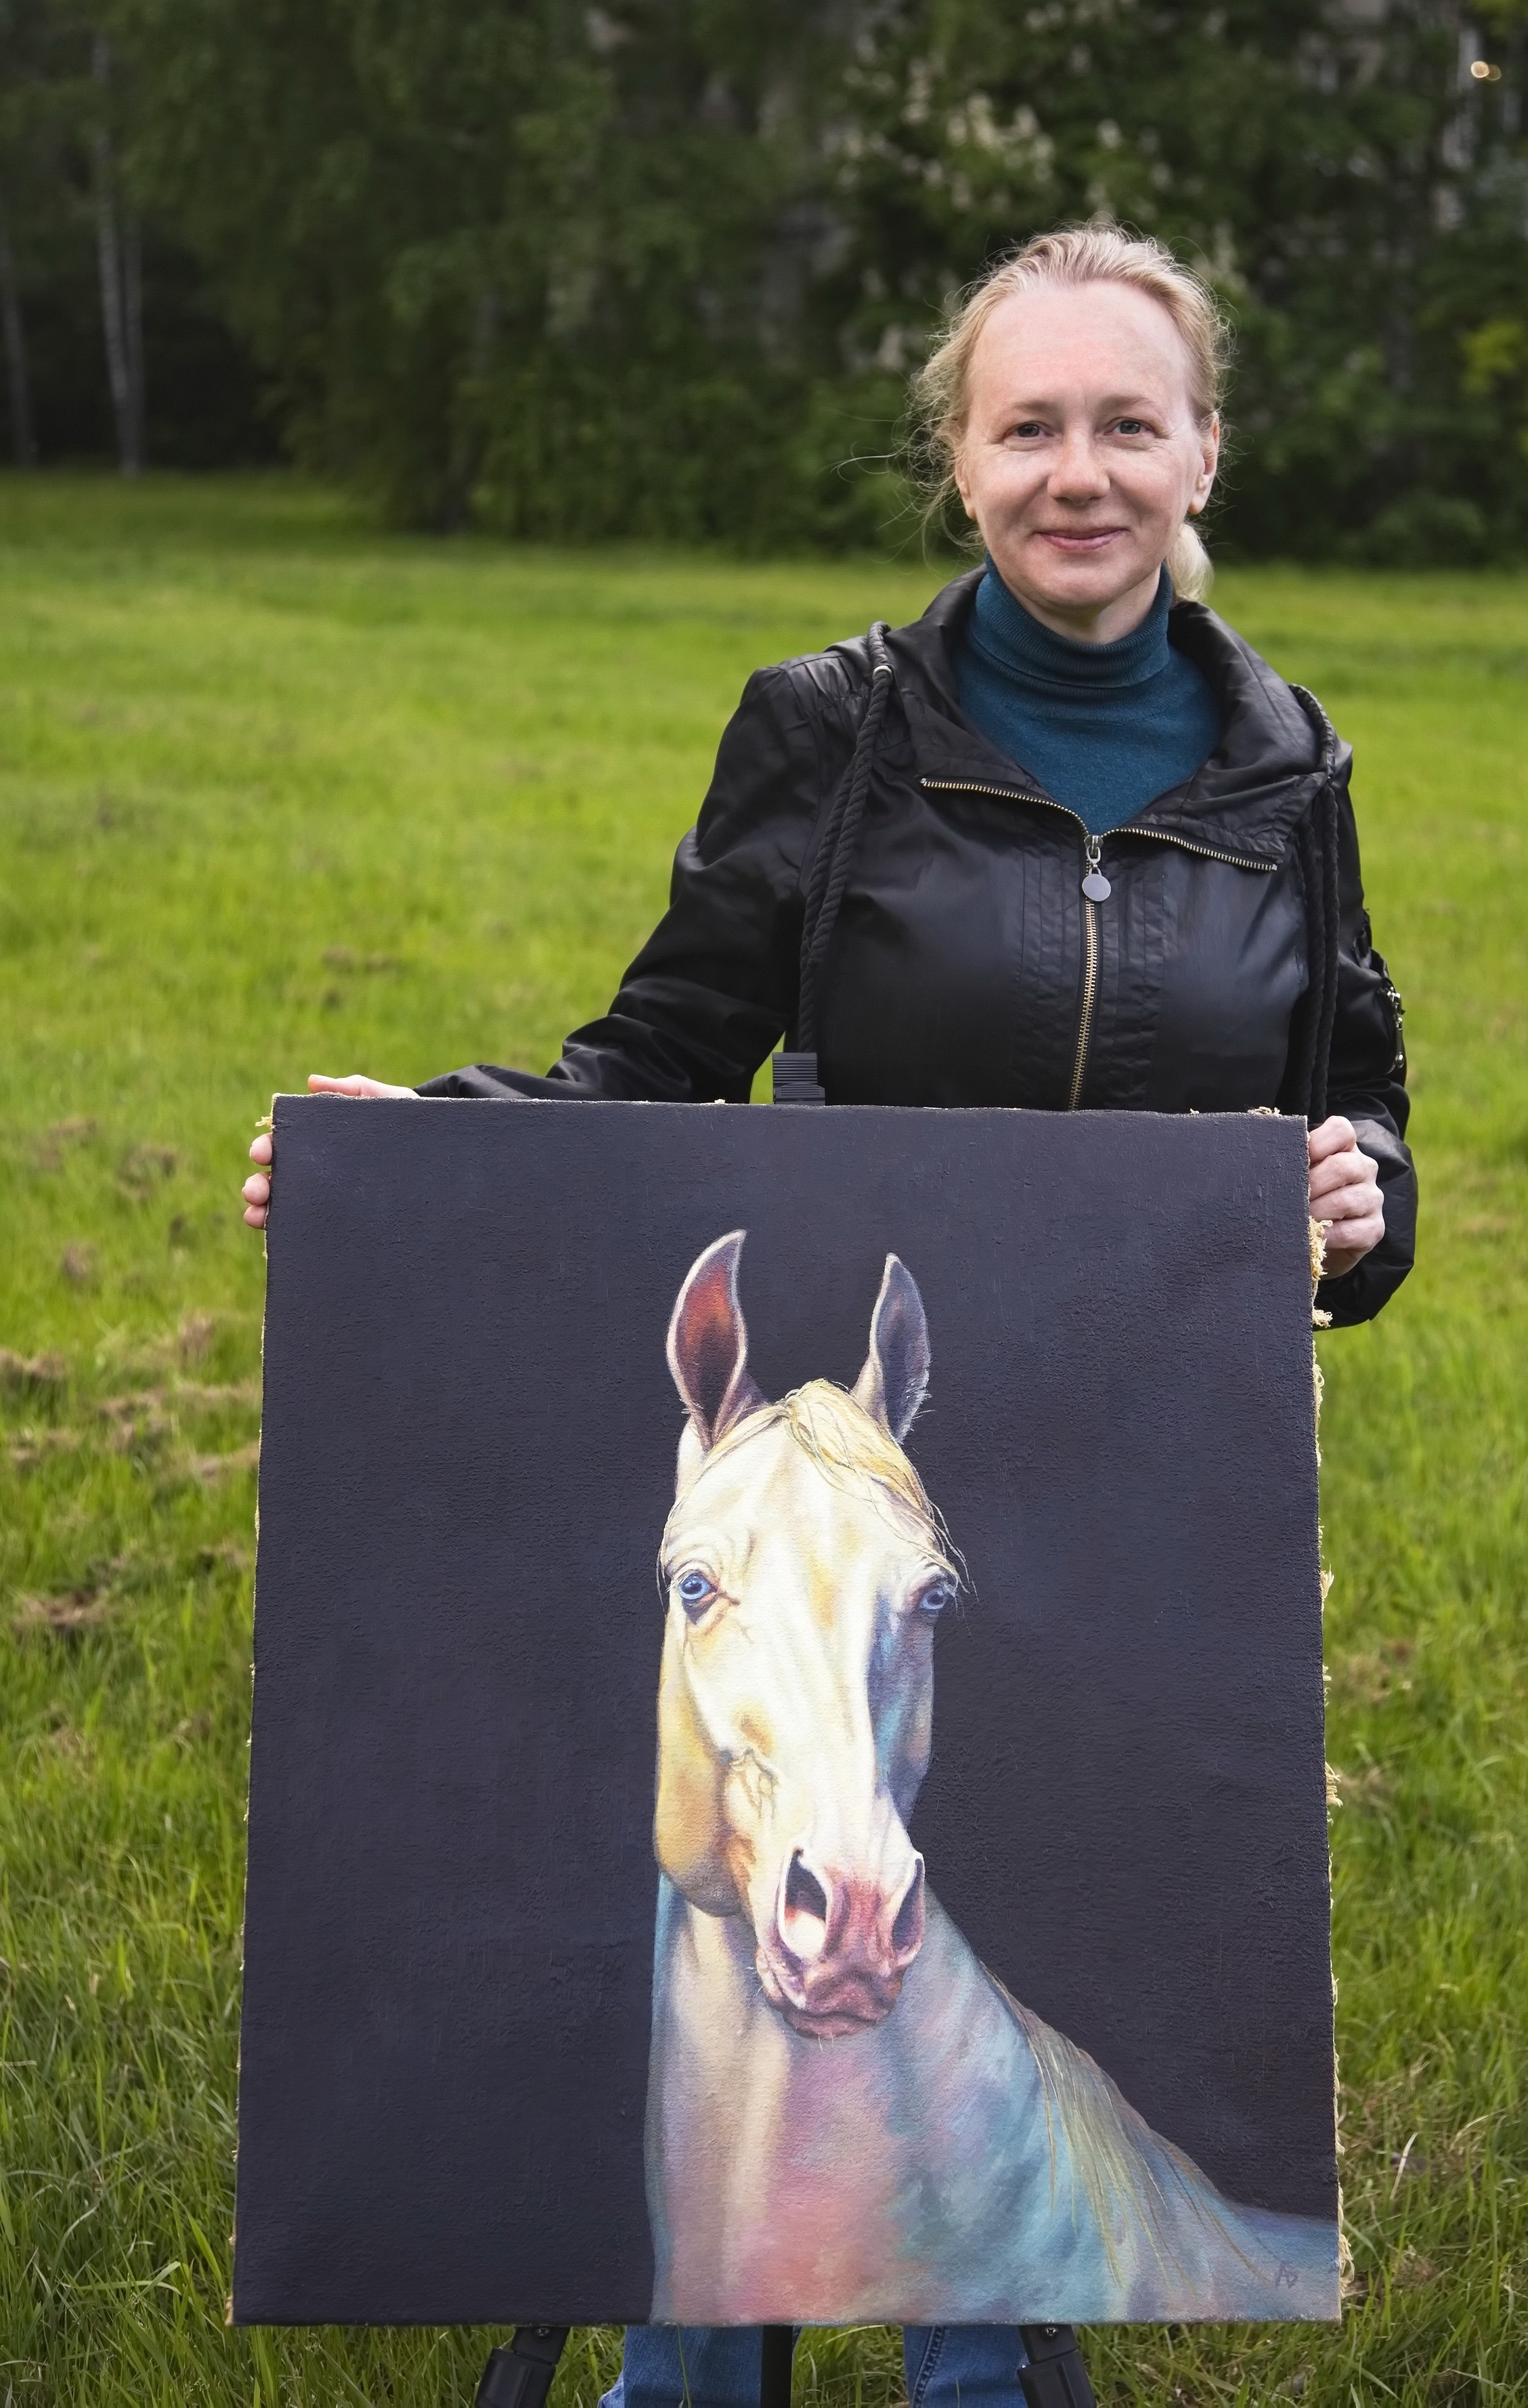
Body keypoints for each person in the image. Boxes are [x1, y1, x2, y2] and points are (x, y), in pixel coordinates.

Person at [242, 223, 1414, 2407]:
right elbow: (664, 1048)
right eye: (1030, 425)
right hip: (849, 1472)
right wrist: (432, 1153)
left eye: (1126, 425)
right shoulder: (832, 731)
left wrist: (1364, 1193)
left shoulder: (1293, 769)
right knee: (775, 1898)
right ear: (961, 463)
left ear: (1203, 453)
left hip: (1116, 1468)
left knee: (1041, 1983)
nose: (1082, 470)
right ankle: (700, 2354)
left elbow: (1358, 1092)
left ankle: (997, 2350)